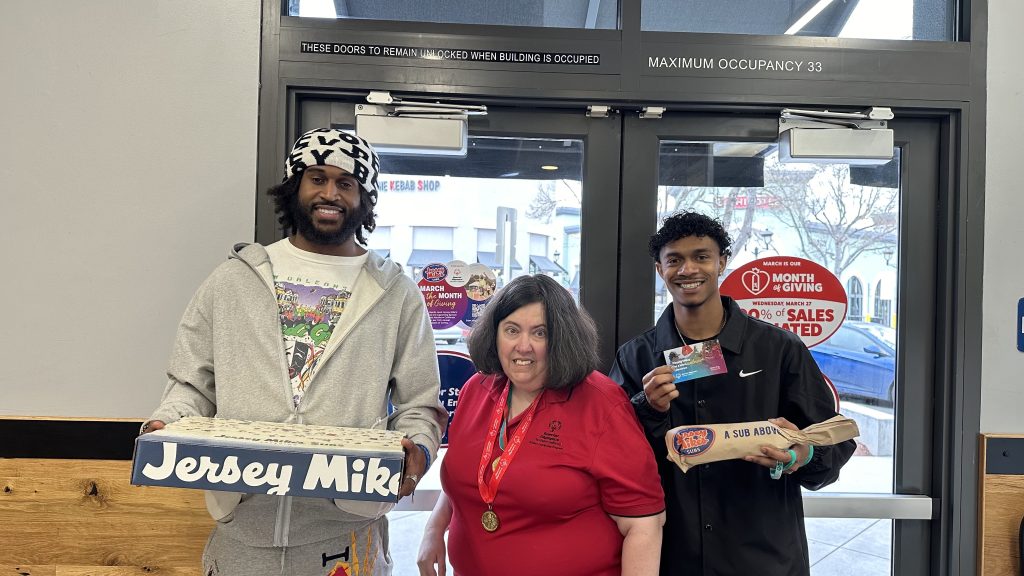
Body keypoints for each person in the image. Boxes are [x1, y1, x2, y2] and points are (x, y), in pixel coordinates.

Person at [142, 128, 447, 576]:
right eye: (317, 178)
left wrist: (417, 449)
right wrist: (167, 421)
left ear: (364, 198)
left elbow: (420, 404)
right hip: (241, 528)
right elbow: (191, 385)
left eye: (346, 183)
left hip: (347, 533)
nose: (330, 193)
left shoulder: (396, 294)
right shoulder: (233, 282)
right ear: (294, 187)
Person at [609, 211, 856, 576]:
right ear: (660, 270)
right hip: (672, 554)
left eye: (701, 256)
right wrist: (648, 408)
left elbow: (837, 439)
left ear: (721, 261)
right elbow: (612, 457)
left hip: (763, 555)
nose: (688, 269)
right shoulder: (636, 357)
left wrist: (804, 455)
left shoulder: (778, 350)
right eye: (674, 259)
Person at [417, 274, 666, 576]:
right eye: (511, 330)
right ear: (494, 335)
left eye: (540, 333)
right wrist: (435, 528)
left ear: (563, 338)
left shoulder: (601, 404)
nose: (523, 346)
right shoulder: (476, 389)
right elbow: (472, 473)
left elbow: (643, 525)